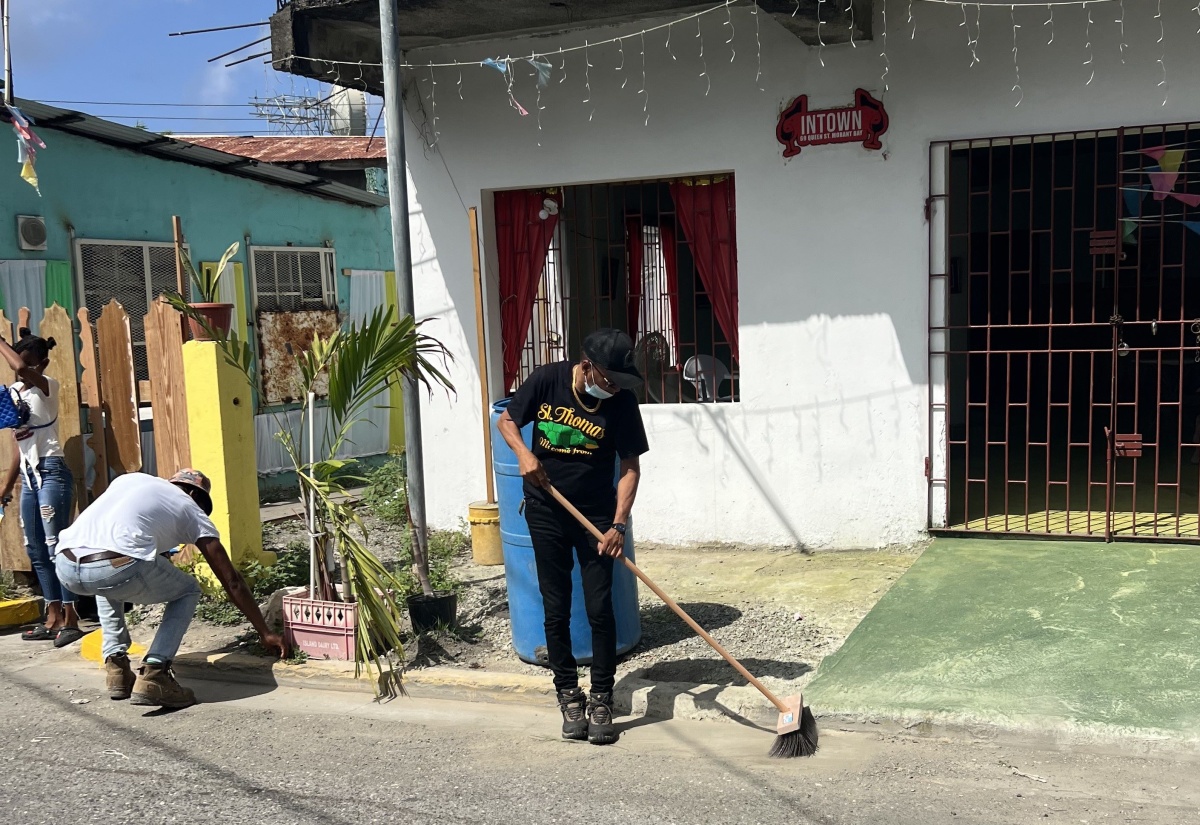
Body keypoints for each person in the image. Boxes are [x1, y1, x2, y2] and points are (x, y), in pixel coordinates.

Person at [497, 328, 649, 746]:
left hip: (596, 517)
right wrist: (525, 454)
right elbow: (507, 421)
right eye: (610, 380)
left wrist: (618, 524)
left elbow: (630, 467)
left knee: (600, 608)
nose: (614, 389)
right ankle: (567, 694)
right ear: (587, 367)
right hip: (545, 509)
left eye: (620, 383)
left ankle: (601, 698)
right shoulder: (547, 380)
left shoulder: (622, 402)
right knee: (556, 605)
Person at [55, 469, 288, 709]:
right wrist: (264, 631)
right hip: (114, 565)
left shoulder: (131, 481)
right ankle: (156, 672)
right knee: (188, 590)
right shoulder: (190, 508)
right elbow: (232, 581)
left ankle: (116, 667)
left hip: (65, 565)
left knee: (107, 581)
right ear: (194, 495)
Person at [0, 329, 82, 647]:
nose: (22, 369)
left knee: (54, 546)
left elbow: (20, 367)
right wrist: (6, 488)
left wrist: (1, 343)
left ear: (42, 363)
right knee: (35, 549)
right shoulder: (15, 393)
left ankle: (71, 618)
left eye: (30, 363)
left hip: (52, 473)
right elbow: (17, 448)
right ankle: (53, 617)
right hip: (30, 478)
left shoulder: (48, 386)